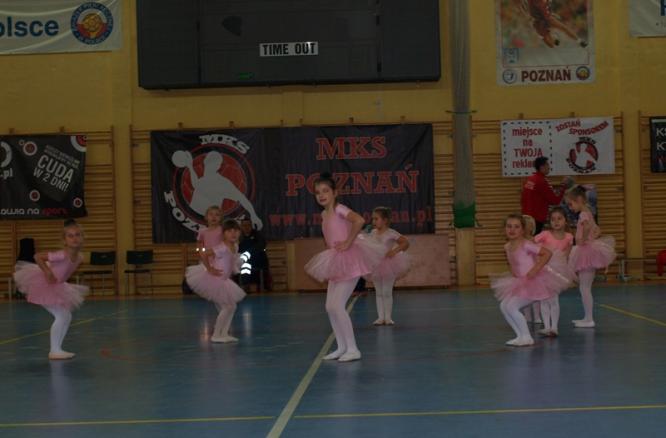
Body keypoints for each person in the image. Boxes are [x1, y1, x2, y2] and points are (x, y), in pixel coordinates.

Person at [304, 173, 383, 362]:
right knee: (330, 307)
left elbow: (359, 220)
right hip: (335, 261)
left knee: (337, 305)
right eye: (317, 192)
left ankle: (353, 349)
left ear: (335, 193)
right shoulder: (324, 214)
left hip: (350, 260)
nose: (321, 195)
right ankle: (341, 347)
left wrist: (348, 242)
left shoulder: (340, 209)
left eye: (325, 191)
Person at [490, 214, 571, 346]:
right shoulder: (507, 247)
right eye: (509, 226)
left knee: (511, 307)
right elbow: (513, 263)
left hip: (534, 282)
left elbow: (547, 253)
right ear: (504, 229)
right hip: (520, 282)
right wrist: (515, 275)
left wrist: (535, 269)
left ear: (522, 230)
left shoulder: (526, 245)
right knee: (504, 306)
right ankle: (520, 336)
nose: (512, 230)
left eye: (516, 227)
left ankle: (527, 337)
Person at [13, 220, 89, 360]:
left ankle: (57, 349)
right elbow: (37, 256)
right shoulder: (62, 254)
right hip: (44, 285)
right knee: (61, 316)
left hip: (57, 285)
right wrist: (47, 272)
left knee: (66, 316)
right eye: (70, 236)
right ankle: (54, 350)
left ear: (82, 237)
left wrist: (55, 275)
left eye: (78, 235)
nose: (74, 238)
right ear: (64, 240)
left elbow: (61, 271)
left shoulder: (79, 257)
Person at [185, 219, 247, 343]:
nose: (233, 233)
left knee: (231, 307)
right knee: (227, 307)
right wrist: (209, 268)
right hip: (215, 281)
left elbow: (232, 260)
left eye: (236, 231)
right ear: (224, 234)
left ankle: (224, 333)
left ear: (240, 233)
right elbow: (204, 254)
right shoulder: (222, 248)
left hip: (224, 280)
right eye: (229, 231)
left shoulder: (235, 246)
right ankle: (216, 335)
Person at [566, 186, 616, 328]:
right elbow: (598, 229)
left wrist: (583, 239)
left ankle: (589, 319)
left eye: (571, 204)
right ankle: (587, 317)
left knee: (585, 288)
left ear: (579, 200)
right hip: (587, 249)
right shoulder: (588, 212)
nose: (570, 207)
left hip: (586, 252)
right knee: (584, 287)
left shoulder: (583, 214)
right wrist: (590, 236)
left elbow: (588, 227)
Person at [534, 207, 576, 336]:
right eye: (553, 219)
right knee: (543, 298)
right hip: (543, 269)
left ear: (565, 221)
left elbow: (566, 255)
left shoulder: (569, 237)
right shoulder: (545, 234)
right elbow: (531, 244)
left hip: (557, 271)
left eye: (559, 219)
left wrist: (565, 272)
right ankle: (547, 327)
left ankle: (554, 327)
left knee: (554, 299)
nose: (556, 222)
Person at [366, 207, 411, 326]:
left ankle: (388, 318)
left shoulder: (391, 233)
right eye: (373, 219)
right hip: (375, 265)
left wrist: (394, 251)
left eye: (376, 219)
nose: (373, 221)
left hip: (389, 264)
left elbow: (405, 243)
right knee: (378, 292)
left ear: (385, 220)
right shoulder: (372, 233)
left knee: (387, 291)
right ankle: (380, 318)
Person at [521, 157, 570, 234]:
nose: (549, 167)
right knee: (534, 240)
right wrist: (564, 186)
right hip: (536, 219)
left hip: (526, 217)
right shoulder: (542, 181)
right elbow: (555, 200)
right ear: (542, 167)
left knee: (528, 239)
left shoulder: (529, 179)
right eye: (547, 165)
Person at [520, 0, 588, 48]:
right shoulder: (534, 3)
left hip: (546, 18)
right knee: (551, 45)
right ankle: (551, 37)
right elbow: (539, 10)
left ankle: (580, 41)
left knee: (564, 28)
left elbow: (546, 8)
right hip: (540, 21)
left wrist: (551, 14)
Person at [239, 217, 270, 292]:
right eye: (244, 225)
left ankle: (261, 286)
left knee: (247, 264)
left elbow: (261, 245)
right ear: (241, 227)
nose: (246, 227)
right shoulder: (239, 237)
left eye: (248, 225)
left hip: (257, 260)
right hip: (243, 260)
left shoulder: (257, 235)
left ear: (251, 226)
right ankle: (244, 286)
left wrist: (248, 253)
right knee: (243, 264)